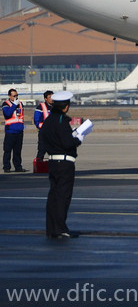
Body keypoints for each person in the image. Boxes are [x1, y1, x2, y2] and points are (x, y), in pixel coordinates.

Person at [39, 91, 81, 238]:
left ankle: (51, 228)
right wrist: (77, 139)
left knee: (53, 196)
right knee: (63, 196)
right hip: (64, 163)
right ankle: (60, 228)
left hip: (52, 161)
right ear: (66, 107)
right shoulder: (61, 120)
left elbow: (43, 136)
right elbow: (67, 143)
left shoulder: (49, 120)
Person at [3, 88, 26, 172]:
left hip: (19, 131)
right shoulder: (6, 104)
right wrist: (13, 105)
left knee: (17, 151)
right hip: (10, 131)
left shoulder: (20, 104)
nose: (16, 97)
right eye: (14, 96)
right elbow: (8, 113)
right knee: (8, 150)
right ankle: (6, 167)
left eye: (17, 95)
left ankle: (18, 167)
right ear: (10, 96)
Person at [34, 90, 54, 162]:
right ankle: (39, 165)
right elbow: (37, 122)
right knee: (42, 150)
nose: (52, 98)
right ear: (45, 98)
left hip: (54, 134)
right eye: (50, 97)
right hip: (44, 133)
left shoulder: (56, 107)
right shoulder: (40, 107)